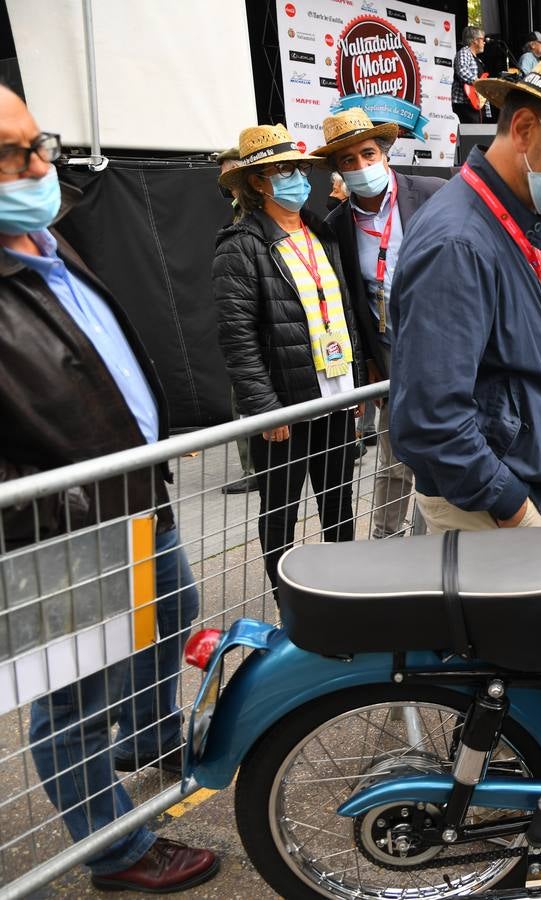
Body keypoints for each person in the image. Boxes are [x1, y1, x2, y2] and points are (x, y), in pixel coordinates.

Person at [0, 86, 217, 893]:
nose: (39, 165)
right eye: (13, 154)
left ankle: (152, 738)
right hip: (59, 533)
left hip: (133, 504)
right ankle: (116, 852)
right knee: (72, 705)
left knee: (175, 615)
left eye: (38, 143)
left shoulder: (44, 241)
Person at [391, 48, 541, 532]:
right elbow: (432, 418)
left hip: (508, 498)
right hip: (487, 514)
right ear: (523, 129)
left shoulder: (509, 220)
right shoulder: (460, 241)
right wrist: (512, 507)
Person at [213, 124, 363, 591]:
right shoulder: (240, 246)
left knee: (340, 503)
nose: (296, 177)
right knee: (280, 513)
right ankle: (291, 606)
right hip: (285, 406)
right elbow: (237, 337)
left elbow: (345, 311)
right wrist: (265, 406)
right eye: (282, 170)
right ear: (258, 182)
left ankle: (346, 594)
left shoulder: (323, 232)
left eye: (299, 167)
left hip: (334, 395)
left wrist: (354, 381)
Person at [315, 109, 443, 538]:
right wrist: (366, 359)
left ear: (384, 154)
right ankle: (385, 542)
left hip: (446, 349)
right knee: (393, 456)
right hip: (390, 357)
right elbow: (348, 301)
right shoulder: (334, 228)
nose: (360, 166)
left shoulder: (431, 193)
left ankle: (430, 545)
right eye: (347, 161)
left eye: (367, 153)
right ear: (338, 171)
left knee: (441, 454)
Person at [214, 147, 259, 496]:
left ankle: (254, 468)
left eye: (230, 174)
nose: (226, 182)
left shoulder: (249, 216)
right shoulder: (238, 216)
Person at [453, 25, 490, 124]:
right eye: (482, 39)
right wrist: (478, 83)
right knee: (471, 136)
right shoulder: (464, 52)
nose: (484, 42)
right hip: (466, 103)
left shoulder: (478, 60)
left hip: (476, 103)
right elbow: (462, 70)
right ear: (475, 40)